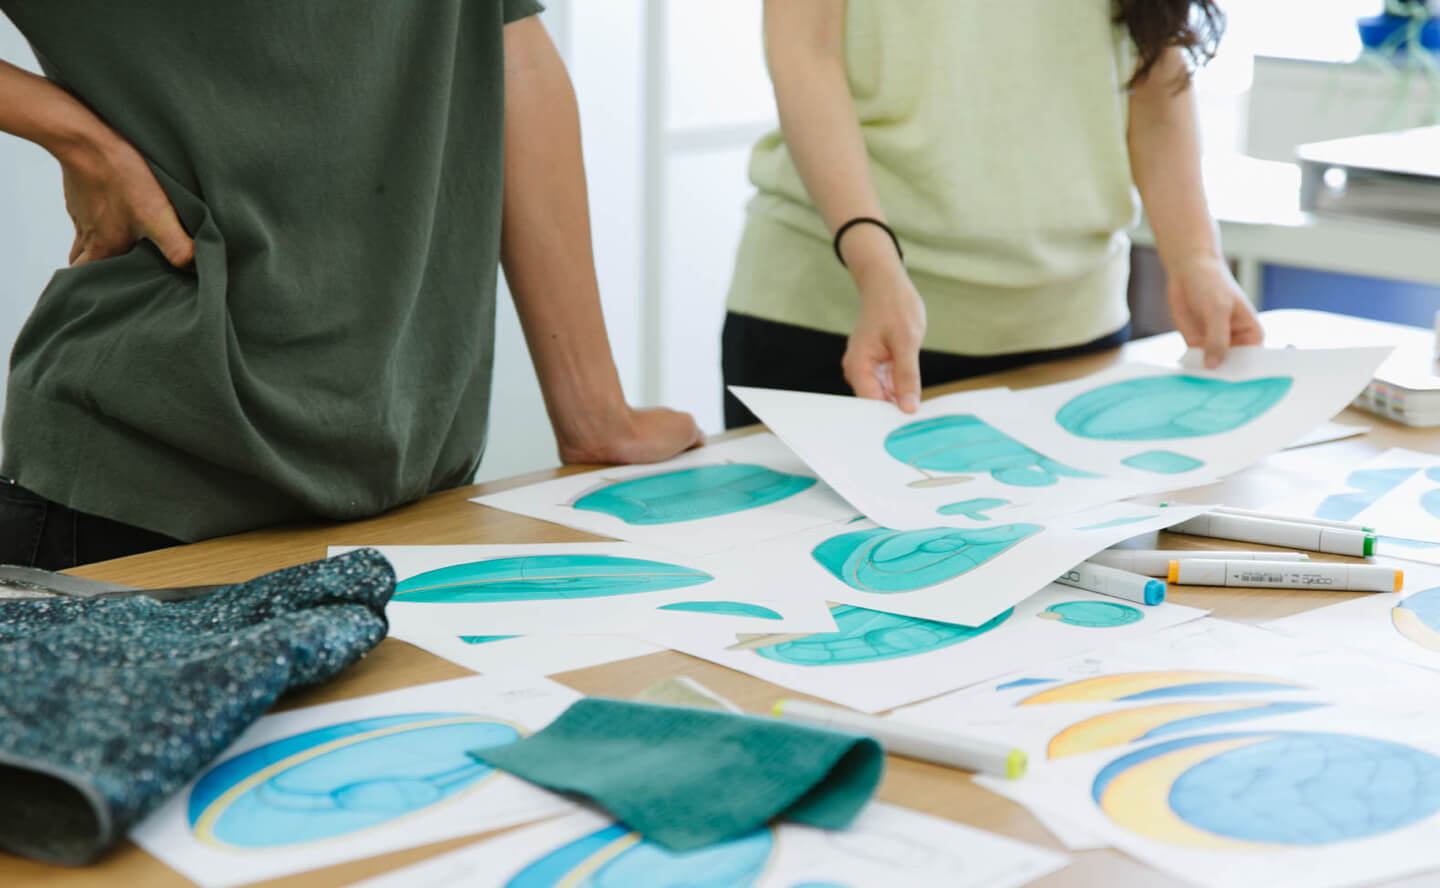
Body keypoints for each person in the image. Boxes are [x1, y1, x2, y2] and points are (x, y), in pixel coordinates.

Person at [0, 1, 700, 570]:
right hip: (146, 488)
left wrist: (592, 406)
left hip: (416, 482)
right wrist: (77, 140)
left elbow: (502, 37)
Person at [722, 0, 1263, 428]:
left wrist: (1196, 256)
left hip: (1072, 340)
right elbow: (804, 51)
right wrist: (874, 264)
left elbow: (1154, 53)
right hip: (839, 327)